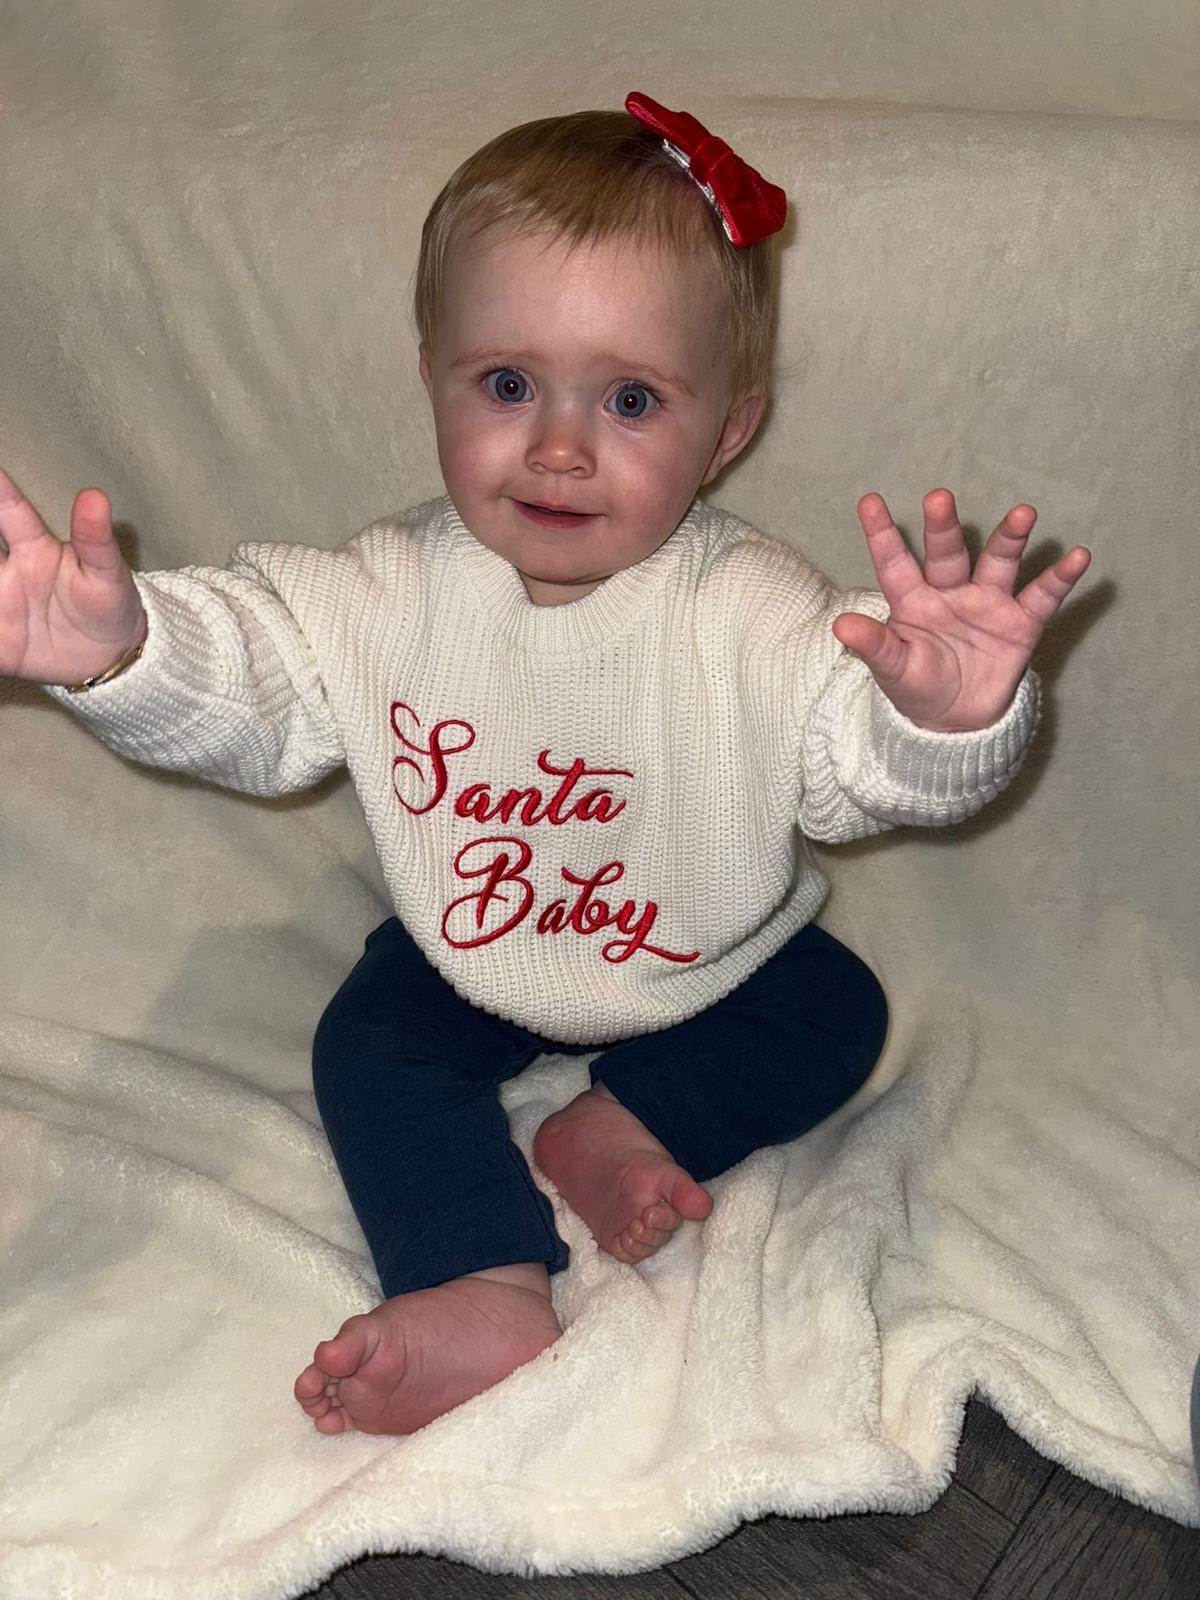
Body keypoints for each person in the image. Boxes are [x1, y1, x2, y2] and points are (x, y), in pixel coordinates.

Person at [0, 93, 1091, 1439]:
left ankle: (626, 1123)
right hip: (472, 949)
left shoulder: (750, 612)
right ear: (432, 375)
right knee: (369, 1047)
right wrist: (125, 653)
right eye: (508, 385)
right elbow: (256, 680)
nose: (561, 448)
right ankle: (478, 1276)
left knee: (835, 1012)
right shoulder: (389, 588)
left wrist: (943, 721)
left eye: (631, 400)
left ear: (729, 430)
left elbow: (848, 767)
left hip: (711, 958)